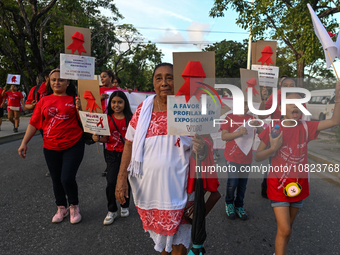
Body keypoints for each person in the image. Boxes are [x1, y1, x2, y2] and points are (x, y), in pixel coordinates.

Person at [115, 63, 219, 255]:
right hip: (151, 191)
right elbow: (129, 143)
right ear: (153, 83)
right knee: (163, 246)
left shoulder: (189, 107)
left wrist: (201, 145)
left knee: (179, 248)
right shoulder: (142, 110)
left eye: (170, 77)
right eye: (159, 78)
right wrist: (121, 178)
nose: (164, 83)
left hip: (182, 189)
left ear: (177, 81)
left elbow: (208, 142)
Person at [255, 81, 340, 255]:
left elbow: (335, 120)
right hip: (277, 184)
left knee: (287, 229)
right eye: (291, 103)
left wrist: (338, 96)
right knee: (285, 229)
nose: (296, 106)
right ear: (281, 108)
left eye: (300, 104)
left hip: (298, 185)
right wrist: (272, 148)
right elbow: (257, 156)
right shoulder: (273, 128)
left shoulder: (306, 127)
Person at [18, 69, 85, 224]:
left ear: (68, 82)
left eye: (61, 80)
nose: (57, 82)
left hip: (73, 144)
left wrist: (80, 108)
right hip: (50, 146)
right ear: (49, 82)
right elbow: (34, 122)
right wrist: (24, 143)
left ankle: (74, 205)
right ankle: (61, 207)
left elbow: (87, 121)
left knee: (67, 177)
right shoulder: (44, 101)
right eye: (54, 80)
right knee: (56, 179)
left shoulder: (75, 99)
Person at [91, 91, 132, 225]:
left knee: (126, 181)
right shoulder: (106, 119)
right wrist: (97, 138)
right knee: (111, 182)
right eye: (113, 102)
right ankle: (112, 209)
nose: (116, 105)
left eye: (120, 102)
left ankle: (124, 205)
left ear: (125, 103)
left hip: (127, 155)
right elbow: (105, 138)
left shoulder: (130, 118)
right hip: (112, 154)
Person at [221, 101, 263, 220]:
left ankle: (239, 205)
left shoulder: (252, 118)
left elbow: (262, 133)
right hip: (231, 157)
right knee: (233, 182)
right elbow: (224, 136)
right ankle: (229, 203)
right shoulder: (229, 117)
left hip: (246, 158)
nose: (244, 107)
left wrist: (257, 125)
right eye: (242, 103)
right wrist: (239, 133)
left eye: (247, 104)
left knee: (242, 184)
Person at [259, 76, 294, 198]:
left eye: (291, 85)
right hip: (276, 134)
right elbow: (263, 116)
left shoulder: (299, 98)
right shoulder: (275, 96)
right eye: (285, 85)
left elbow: (304, 118)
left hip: (292, 136)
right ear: (280, 86)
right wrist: (263, 98)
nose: (288, 88)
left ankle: (287, 188)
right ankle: (266, 186)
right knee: (272, 163)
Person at [25, 68, 52, 177]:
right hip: (42, 123)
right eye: (53, 79)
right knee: (48, 145)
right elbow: (26, 106)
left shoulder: (60, 89)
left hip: (59, 123)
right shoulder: (35, 90)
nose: (57, 82)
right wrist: (33, 106)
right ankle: (52, 167)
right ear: (46, 78)